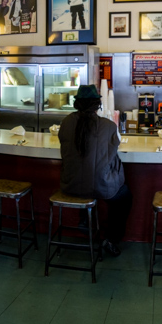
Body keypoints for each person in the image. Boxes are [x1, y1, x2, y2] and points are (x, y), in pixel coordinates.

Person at [57, 85, 132, 257]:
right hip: (100, 186)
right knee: (124, 196)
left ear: (76, 104)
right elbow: (113, 155)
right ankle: (111, 239)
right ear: (98, 104)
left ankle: (85, 216)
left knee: (85, 180)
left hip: (70, 185)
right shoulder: (108, 126)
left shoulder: (66, 122)